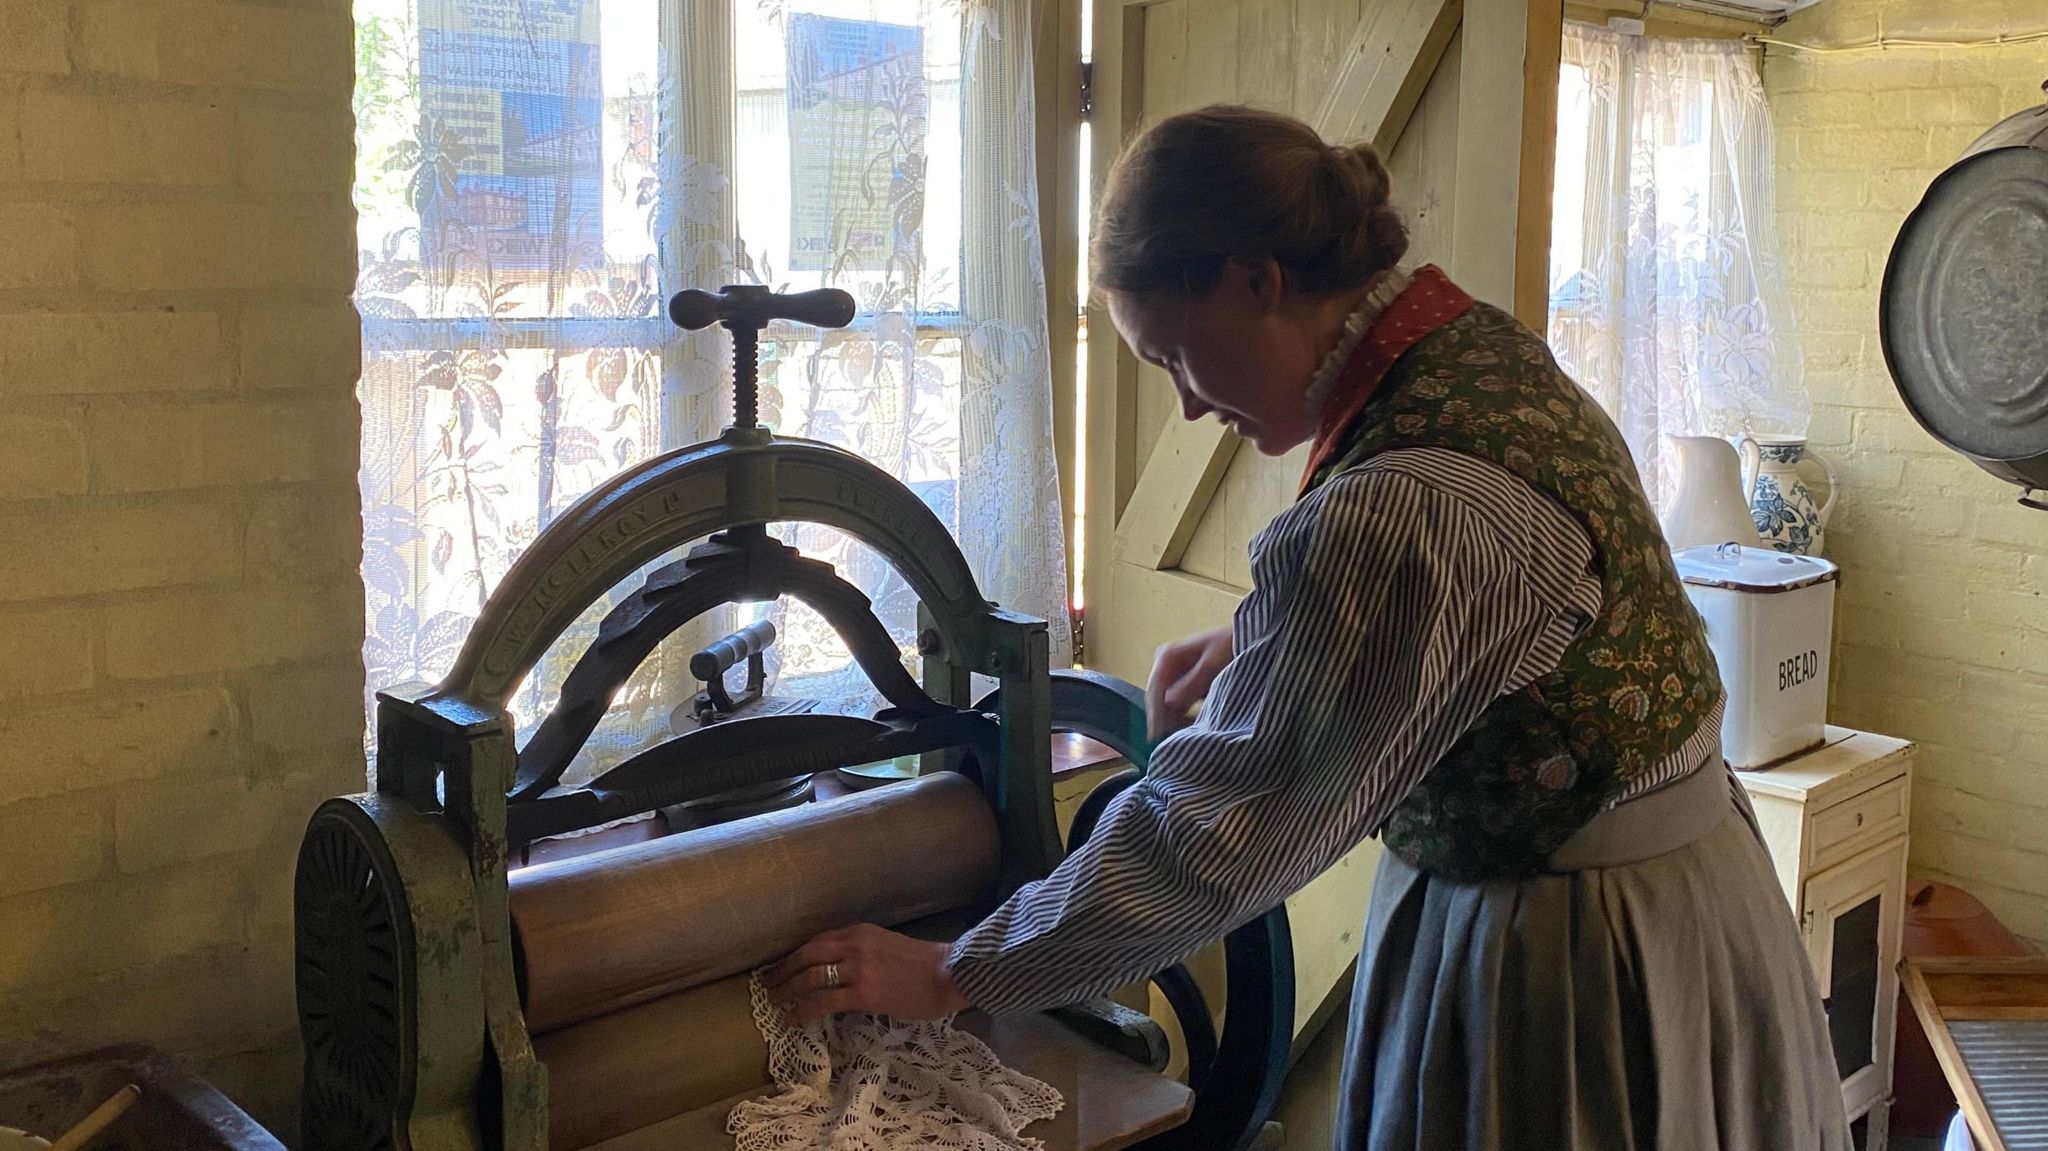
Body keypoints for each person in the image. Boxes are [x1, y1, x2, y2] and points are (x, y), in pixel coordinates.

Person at [765, 104, 1850, 1150]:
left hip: (1573, 962)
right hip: (1671, 896)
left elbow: (1213, 838)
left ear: (1257, 282)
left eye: (1175, 358)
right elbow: (1518, 603)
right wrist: (1263, 642)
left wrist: (957, 969)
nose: (1188, 406)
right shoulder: (1467, 353)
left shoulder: (1402, 505)